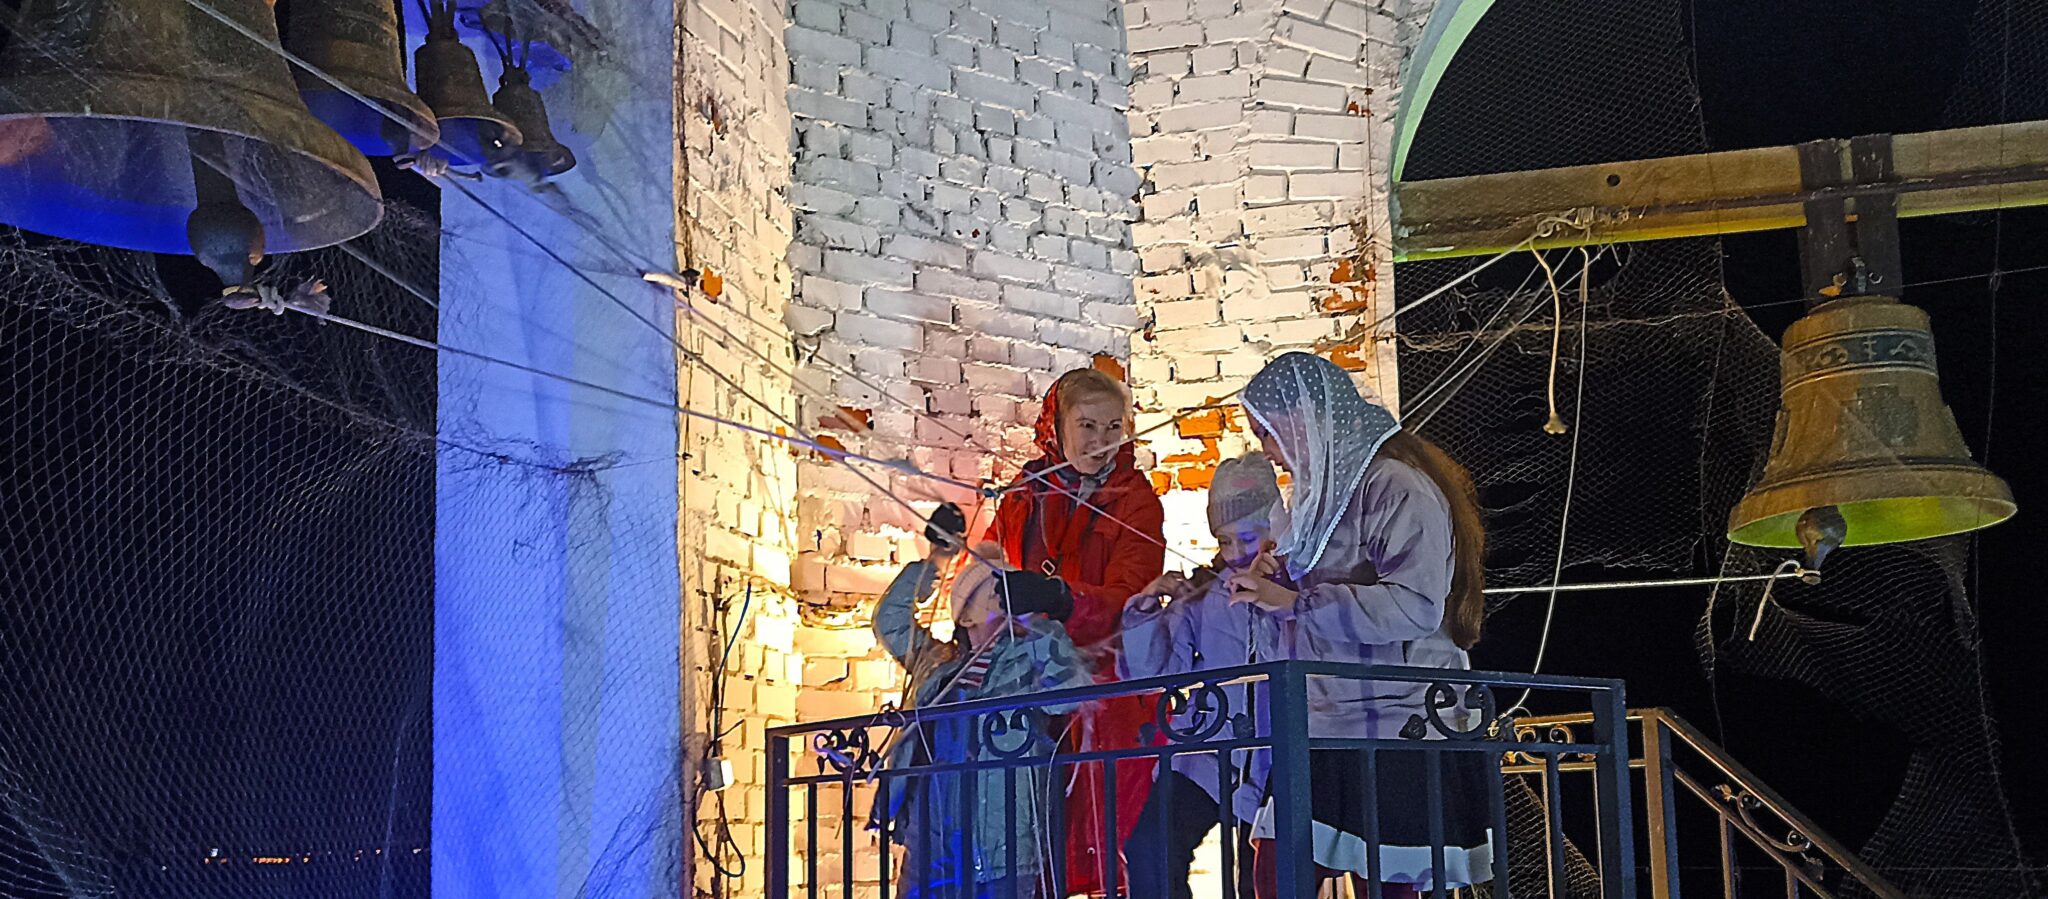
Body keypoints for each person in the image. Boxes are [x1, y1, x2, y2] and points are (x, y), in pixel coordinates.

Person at [1233, 352, 1493, 899]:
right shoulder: (1315, 498)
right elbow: (1304, 601)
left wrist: (1295, 602)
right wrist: (1273, 584)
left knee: (1388, 885)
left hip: (1400, 721)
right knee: (1276, 875)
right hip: (1325, 721)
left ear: (1306, 419)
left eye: (1267, 433)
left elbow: (1414, 606)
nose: (1268, 452)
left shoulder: (1395, 485)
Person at [988, 367, 1167, 896]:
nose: (1101, 441)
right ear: (1056, 427)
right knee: (1026, 835)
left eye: (1114, 427)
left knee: (1099, 838)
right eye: (1087, 426)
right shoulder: (1024, 496)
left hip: (1105, 688)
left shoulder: (1136, 500)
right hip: (1029, 684)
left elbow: (1130, 596)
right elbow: (987, 574)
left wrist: (1065, 600)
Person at [871, 519, 1095, 899]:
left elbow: (1070, 694)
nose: (1007, 596)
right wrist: (938, 559)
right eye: (995, 588)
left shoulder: (1029, 660)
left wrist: (1037, 622)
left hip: (1003, 845)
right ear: (965, 615)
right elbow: (889, 621)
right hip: (931, 842)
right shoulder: (938, 664)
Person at [1120, 453, 1286, 899]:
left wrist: (1275, 597)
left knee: (1260, 881)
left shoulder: (1298, 584)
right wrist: (1147, 610)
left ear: (1274, 528)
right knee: (1151, 847)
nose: (1235, 553)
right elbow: (1159, 673)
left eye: (1248, 538)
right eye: (1225, 540)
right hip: (1208, 750)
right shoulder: (1203, 592)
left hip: (1279, 758)